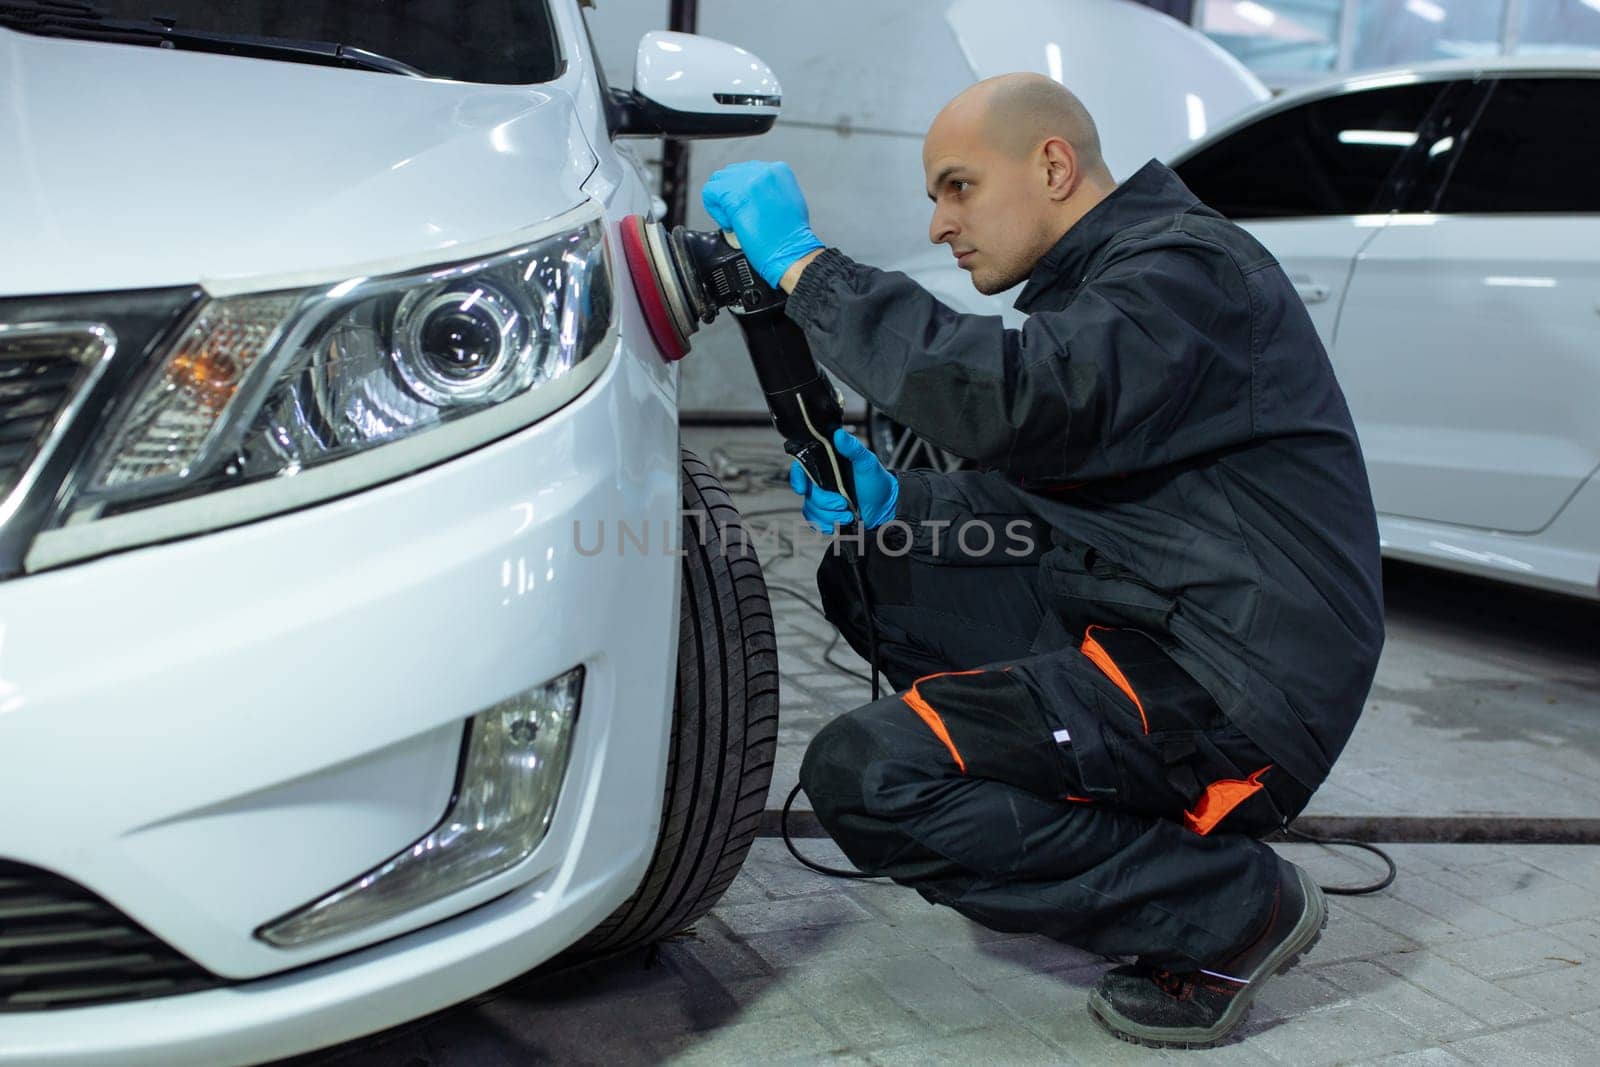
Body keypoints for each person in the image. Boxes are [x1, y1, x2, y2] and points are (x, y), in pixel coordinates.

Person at [701, 72, 1385, 1048]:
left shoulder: (1184, 272)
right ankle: (1098, 824)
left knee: (870, 773)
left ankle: (1225, 906)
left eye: (956, 186)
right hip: (1165, 621)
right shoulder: (1120, 286)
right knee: (875, 566)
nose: (940, 223)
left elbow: (1021, 397)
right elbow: (1050, 497)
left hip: (1235, 682)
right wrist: (898, 501)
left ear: (1053, 165)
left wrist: (806, 269)